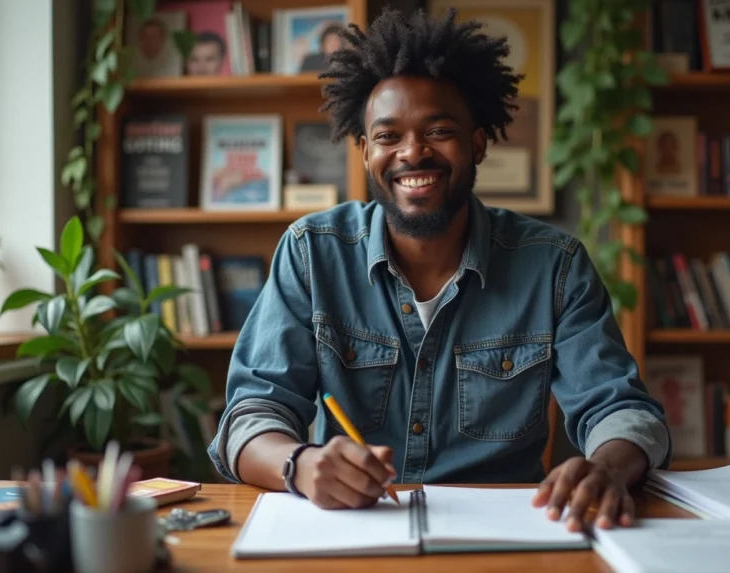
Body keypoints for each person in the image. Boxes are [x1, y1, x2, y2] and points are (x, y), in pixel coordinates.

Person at [207, 7, 670, 533]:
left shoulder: (554, 265)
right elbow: (249, 417)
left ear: (477, 142)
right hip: (351, 532)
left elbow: (623, 409)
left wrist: (607, 467)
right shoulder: (312, 254)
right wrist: (300, 465)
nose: (413, 152)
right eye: (388, 137)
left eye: (439, 130)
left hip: (507, 538)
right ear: (363, 152)